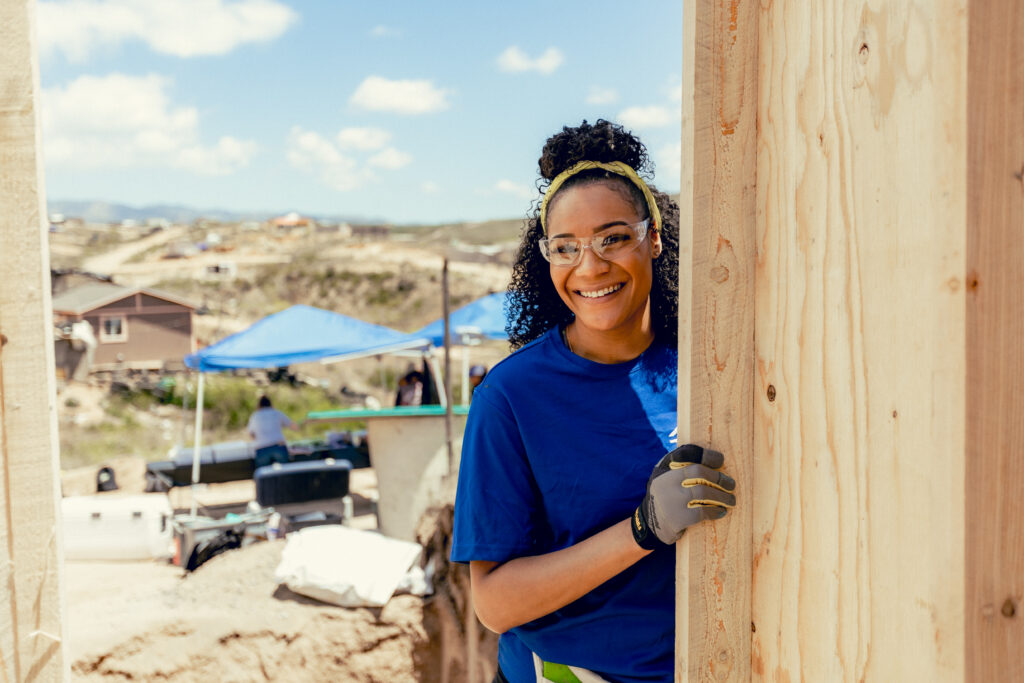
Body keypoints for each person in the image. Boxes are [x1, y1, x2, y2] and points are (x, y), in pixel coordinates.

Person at [451, 120, 737, 682]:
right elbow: (494, 603)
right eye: (566, 247)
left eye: (612, 237)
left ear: (653, 236)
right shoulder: (511, 397)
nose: (591, 266)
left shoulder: (712, 370)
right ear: (547, 258)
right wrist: (642, 529)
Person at [247, 395, 297, 470]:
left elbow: (251, 435)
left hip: (261, 448)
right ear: (270, 403)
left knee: (264, 474)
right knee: (286, 471)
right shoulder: (277, 413)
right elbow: (293, 426)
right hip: (278, 446)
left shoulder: (254, 416)